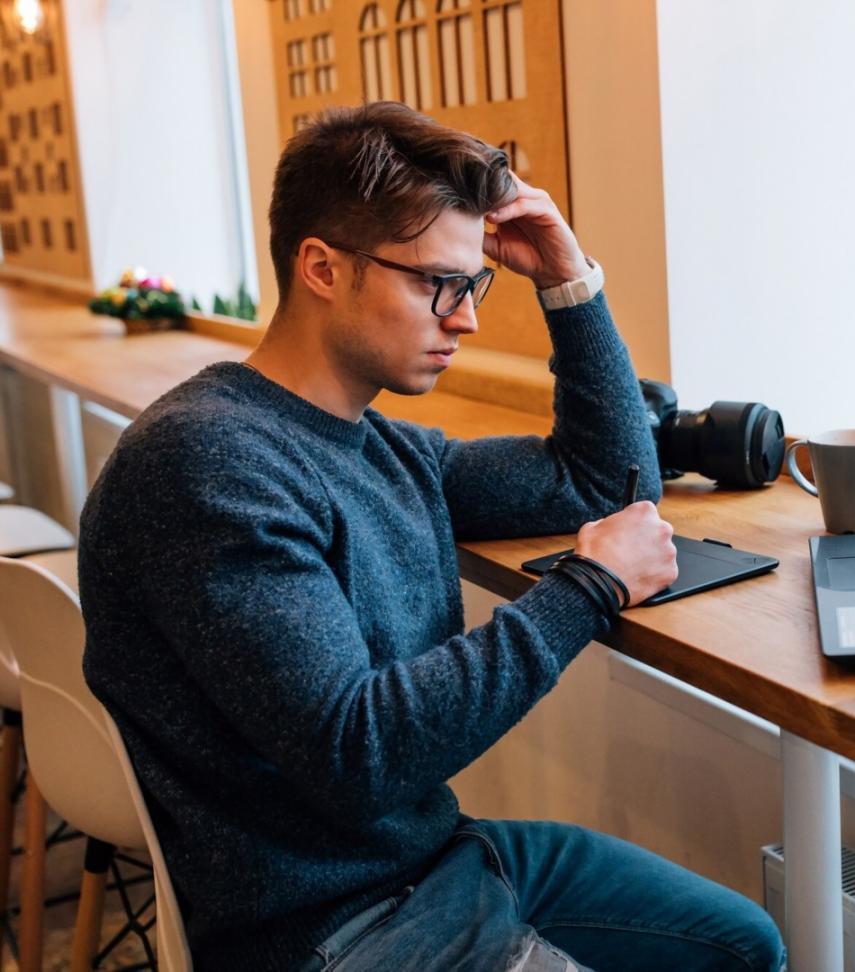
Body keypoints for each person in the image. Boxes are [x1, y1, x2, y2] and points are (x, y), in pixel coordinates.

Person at [79, 102, 786, 972]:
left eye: (473, 283)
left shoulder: (375, 444)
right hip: (333, 929)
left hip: (433, 864)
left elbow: (603, 480)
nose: (468, 319)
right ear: (322, 268)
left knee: (743, 945)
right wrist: (587, 588)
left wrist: (566, 277)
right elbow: (362, 754)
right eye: (437, 285)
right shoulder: (207, 462)